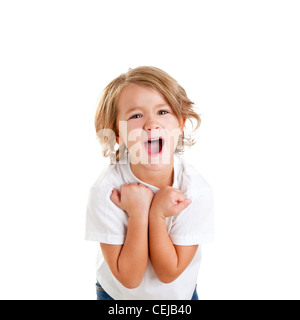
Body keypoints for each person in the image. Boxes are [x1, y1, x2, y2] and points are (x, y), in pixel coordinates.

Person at [85, 66, 214, 300]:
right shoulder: (106, 190)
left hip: (179, 296)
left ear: (181, 123)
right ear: (117, 135)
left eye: (163, 112)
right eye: (136, 115)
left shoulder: (195, 190)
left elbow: (169, 272)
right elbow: (130, 279)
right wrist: (137, 212)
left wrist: (155, 214)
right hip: (118, 297)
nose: (151, 124)